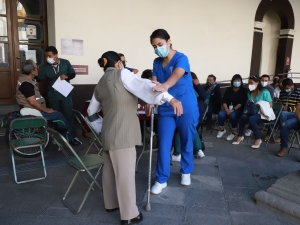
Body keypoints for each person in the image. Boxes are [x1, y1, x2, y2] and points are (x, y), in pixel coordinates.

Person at [91, 51, 182, 224]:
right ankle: (129, 215)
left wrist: (102, 127)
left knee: (109, 169)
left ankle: (111, 204)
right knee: (125, 174)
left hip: (108, 132)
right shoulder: (123, 73)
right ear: (118, 63)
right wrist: (171, 99)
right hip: (124, 133)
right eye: (123, 62)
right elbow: (147, 85)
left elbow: (91, 112)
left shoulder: (100, 82)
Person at [145, 29, 199, 194]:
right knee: (164, 143)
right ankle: (161, 179)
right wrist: (150, 99)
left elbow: (177, 73)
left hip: (185, 106)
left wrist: (166, 85)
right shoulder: (156, 62)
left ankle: (186, 171)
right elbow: (154, 84)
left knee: (186, 140)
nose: (157, 48)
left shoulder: (181, 58)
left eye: (160, 44)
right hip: (166, 107)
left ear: (169, 41)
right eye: (154, 46)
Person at [15, 60, 74, 142]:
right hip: (32, 111)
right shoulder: (26, 83)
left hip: (30, 109)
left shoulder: (24, 78)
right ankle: (66, 138)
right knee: (59, 115)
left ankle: (57, 135)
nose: (38, 69)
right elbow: (32, 102)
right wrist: (47, 110)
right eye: (36, 67)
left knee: (55, 113)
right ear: (32, 71)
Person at [36, 46, 81, 146]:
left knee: (68, 114)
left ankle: (73, 136)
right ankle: (58, 138)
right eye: (46, 56)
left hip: (65, 94)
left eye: (50, 56)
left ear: (56, 55)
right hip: (53, 94)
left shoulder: (65, 62)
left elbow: (73, 73)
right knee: (55, 115)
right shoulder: (46, 67)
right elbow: (39, 78)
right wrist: (30, 74)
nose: (48, 58)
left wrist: (67, 76)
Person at [232, 76, 273, 148]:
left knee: (252, 119)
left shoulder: (265, 92)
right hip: (252, 112)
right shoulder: (249, 93)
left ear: (257, 83)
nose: (249, 85)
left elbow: (270, 104)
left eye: (251, 83)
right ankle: (240, 135)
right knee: (243, 116)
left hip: (262, 114)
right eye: (249, 83)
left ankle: (258, 139)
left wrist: (261, 104)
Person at [216, 74, 248, 140]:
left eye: (238, 80)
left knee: (233, 115)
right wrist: (227, 109)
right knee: (220, 114)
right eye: (235, 80)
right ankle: (222, 129)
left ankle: (234, 132)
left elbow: (241, 102)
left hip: (238, 109)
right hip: (227, 108)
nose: (236, 82)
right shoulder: (228, 89)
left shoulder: (243, 90)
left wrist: (233, 109)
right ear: (232, 81)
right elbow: (223, 100)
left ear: (241, 81)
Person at [274, 78, 300, 143]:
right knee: (275, 113)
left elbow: (299, 108)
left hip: (295, 113)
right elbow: (280, 102)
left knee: (283, 114)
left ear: (292, 85)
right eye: (284, 88)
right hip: (283, 111)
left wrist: (289, 109)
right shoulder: (282, 92)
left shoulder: (298, 92)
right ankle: (270, 133)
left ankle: (282, 136)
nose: (286, 90)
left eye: (287, 88)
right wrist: (281, 106)